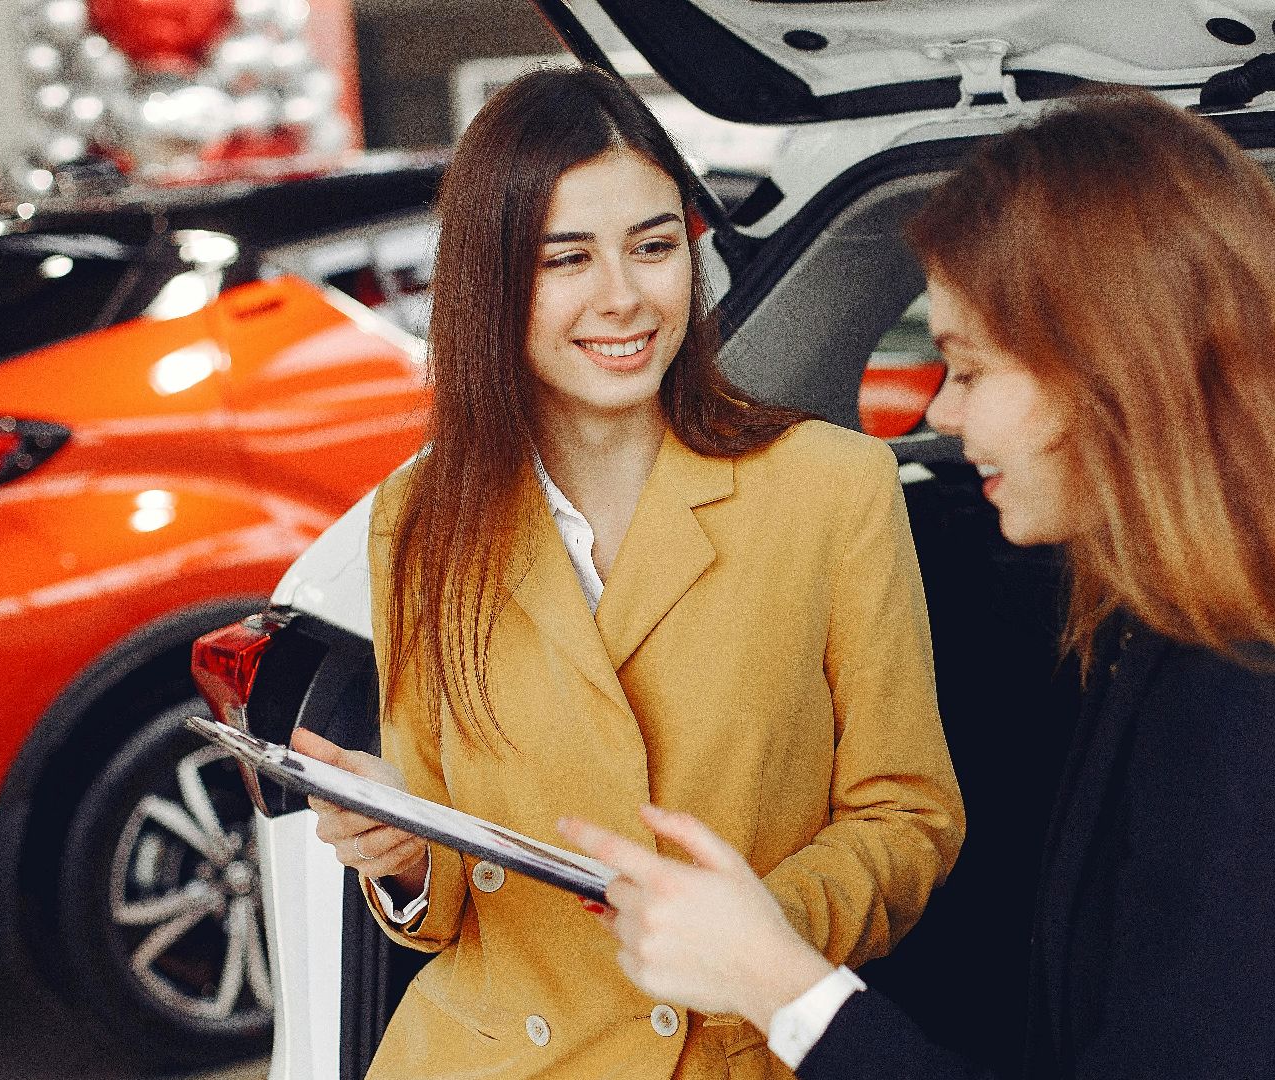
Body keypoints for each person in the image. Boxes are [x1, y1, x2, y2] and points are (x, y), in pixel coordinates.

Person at [560, 87, 1275, 1080]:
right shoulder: (1178, 631)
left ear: (1113, 378)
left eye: (967, 369)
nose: (942, 412)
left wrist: (777, 984)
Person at [290, 66, 964, 1080]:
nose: (624, 297)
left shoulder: (833, 488)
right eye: (568, 259)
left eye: (653, 248)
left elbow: (909, 819)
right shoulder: (418, 519)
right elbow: (442, 907)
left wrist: (755, 939)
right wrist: (405, 856)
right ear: (493, 281)